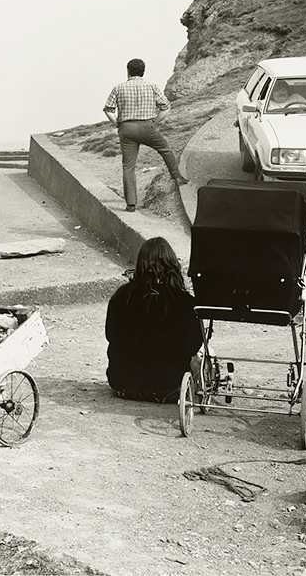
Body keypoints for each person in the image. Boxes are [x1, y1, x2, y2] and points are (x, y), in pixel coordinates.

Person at [105, 237, 203, 403]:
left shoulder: (122, 295)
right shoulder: (185, 302)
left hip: (123, 385)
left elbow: (110, 334)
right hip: (168, 388)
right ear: (172, 264)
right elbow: (193, 345)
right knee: (199, 362)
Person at [103, 58, 189, 213]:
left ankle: (131, 204)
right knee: (165, 150)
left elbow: (108, 109)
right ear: (143, 71)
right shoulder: (151, 86)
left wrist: (117, 123)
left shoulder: (118, 88)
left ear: (128, 71)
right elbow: (165, 107)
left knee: (128, 166)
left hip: (126, 129)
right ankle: (177, 177)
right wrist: (155, 123)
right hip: (147, 126)